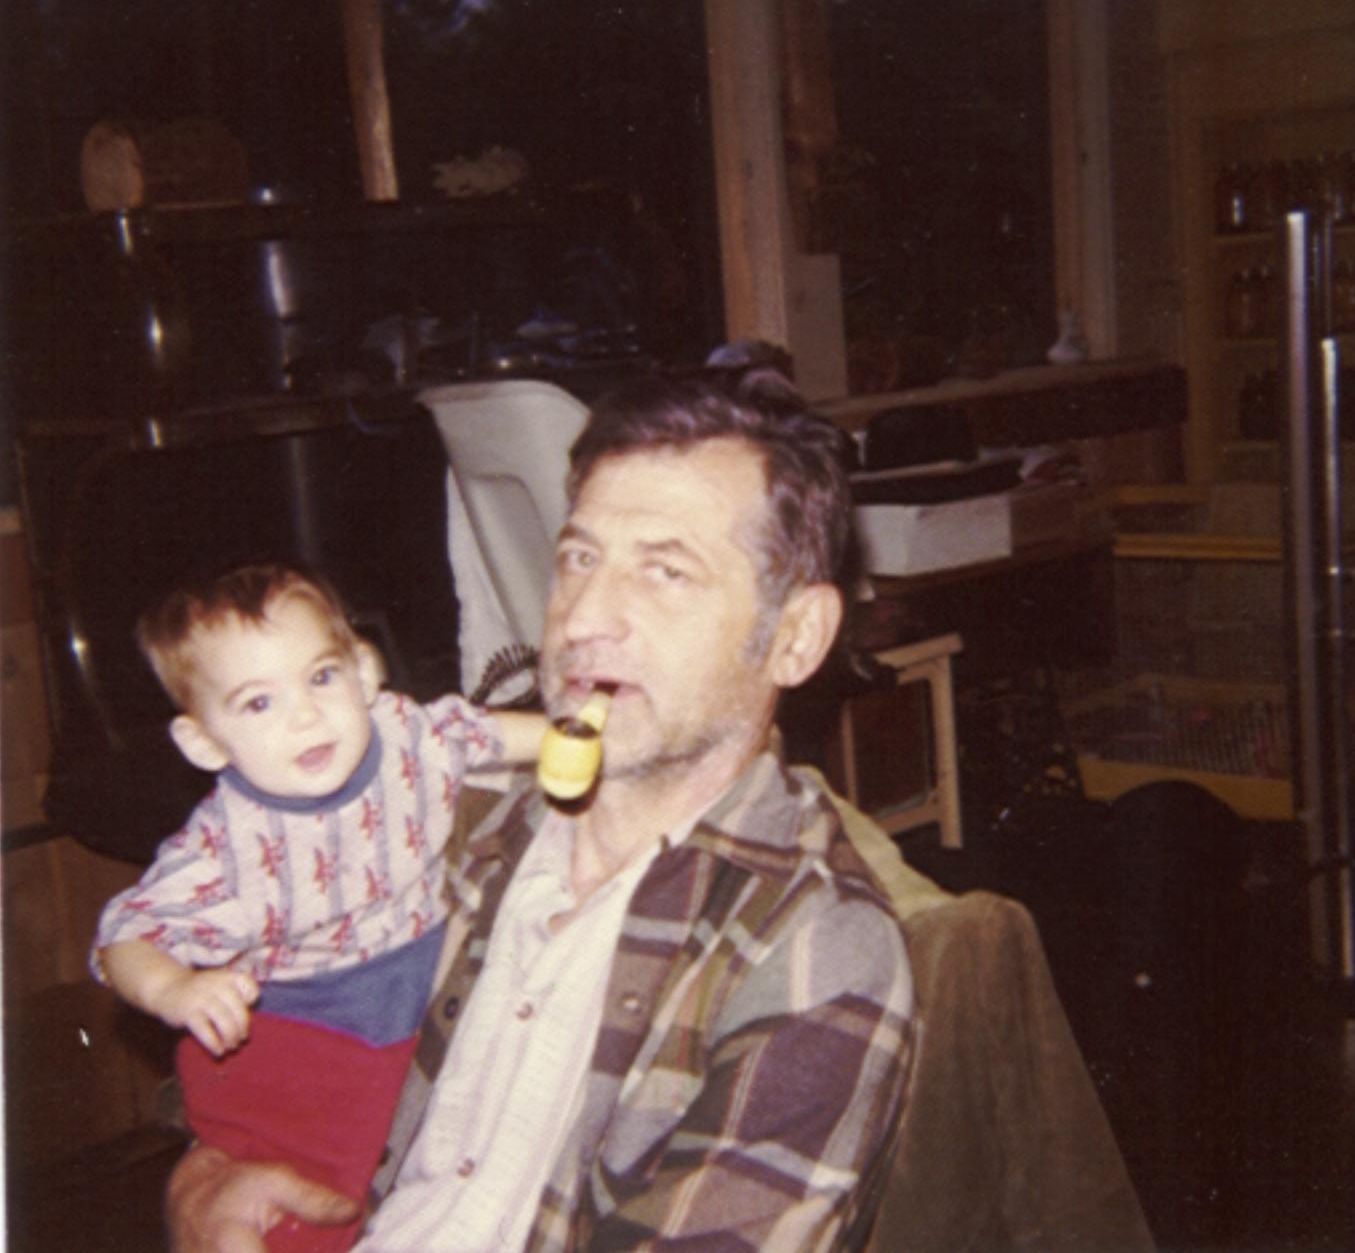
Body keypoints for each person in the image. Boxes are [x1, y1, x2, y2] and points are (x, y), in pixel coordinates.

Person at [167, 370, 916, 1253]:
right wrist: (202, 1179)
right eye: (579, 558)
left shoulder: (819, 948)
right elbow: (250, 1061)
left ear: (794, 636)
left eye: (665, 570)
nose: (583, 616)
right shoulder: (441, 816)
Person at [93, 562, 546, 1253]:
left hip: (415, 996)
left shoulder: (406, 734)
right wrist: (173, 988)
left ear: (363, 672)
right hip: (301, 1037)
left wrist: (576, 740)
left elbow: (486, 732)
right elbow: (124, 936)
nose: (304, 715)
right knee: (320, 1203)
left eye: (321, 677)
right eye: (258, 703)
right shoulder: (223, 850)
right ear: (203, 742)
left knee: (431, 1166)